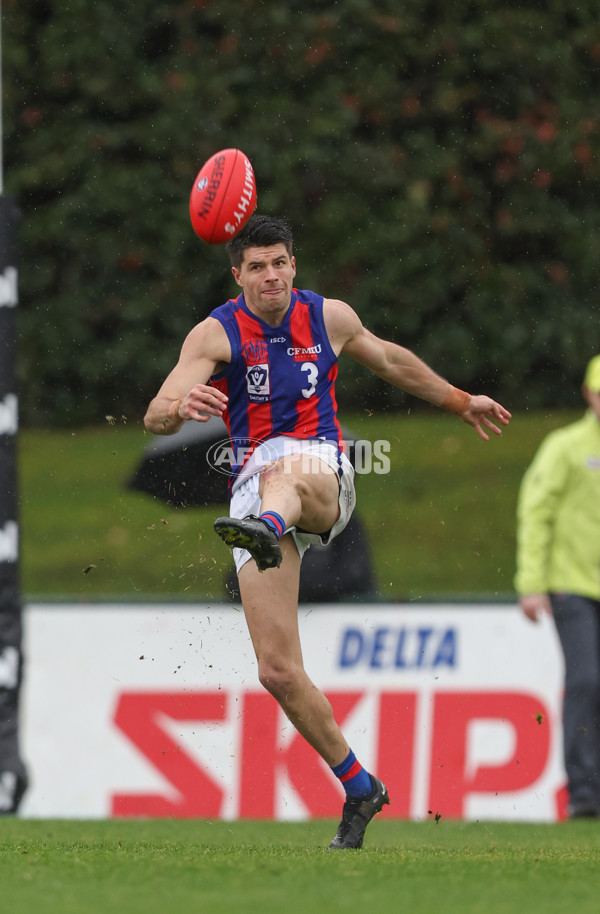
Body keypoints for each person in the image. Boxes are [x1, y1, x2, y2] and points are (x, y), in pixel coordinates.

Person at [144, 214, 511, 847]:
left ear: (294, 265)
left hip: (321, 477)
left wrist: (458, 400)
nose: (270, 275)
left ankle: (263, 524)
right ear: (238, 276)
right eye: (256, 266)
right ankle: (361, 785)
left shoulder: (329, 317)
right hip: (255, 494)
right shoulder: (215, 333)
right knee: (278, 672)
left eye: (279, 262)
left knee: (284, 469)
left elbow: (391, 361)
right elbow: (156, 412)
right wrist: (180, 407)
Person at [515, 355, 600, 820]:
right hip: (573, 585)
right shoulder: (565, 447)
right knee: (586, 682)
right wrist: (532, 583)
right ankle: (585, 794)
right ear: (589, 395)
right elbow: (536, 512)